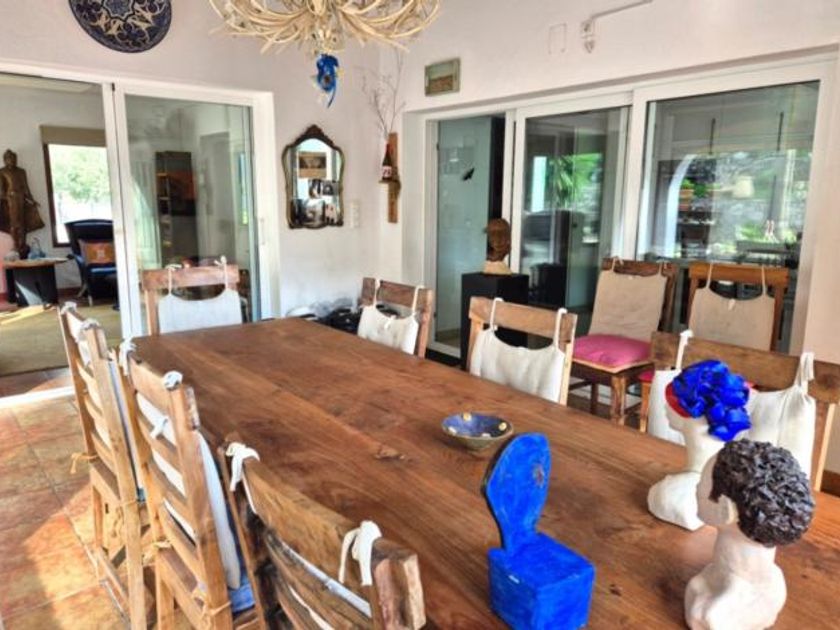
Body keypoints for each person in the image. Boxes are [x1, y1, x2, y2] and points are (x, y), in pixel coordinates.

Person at [685, 440, 814, 630]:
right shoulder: (775, 582)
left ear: (725, 510)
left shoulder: (714, 616)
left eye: (702, 484)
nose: (697, 489)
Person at [0, 149, 44, 258]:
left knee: (23, 223)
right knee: (14, 224)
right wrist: (9, 197)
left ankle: (22, 245)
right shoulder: (2, 172)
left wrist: (32, 200)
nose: (12, 160)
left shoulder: (21, 171)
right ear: (5, 160)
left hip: (21, 199)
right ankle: (14, 245)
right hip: (10, 201)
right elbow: (1, 191)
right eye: (9, 158)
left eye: (14, 158)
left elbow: (26, 188)